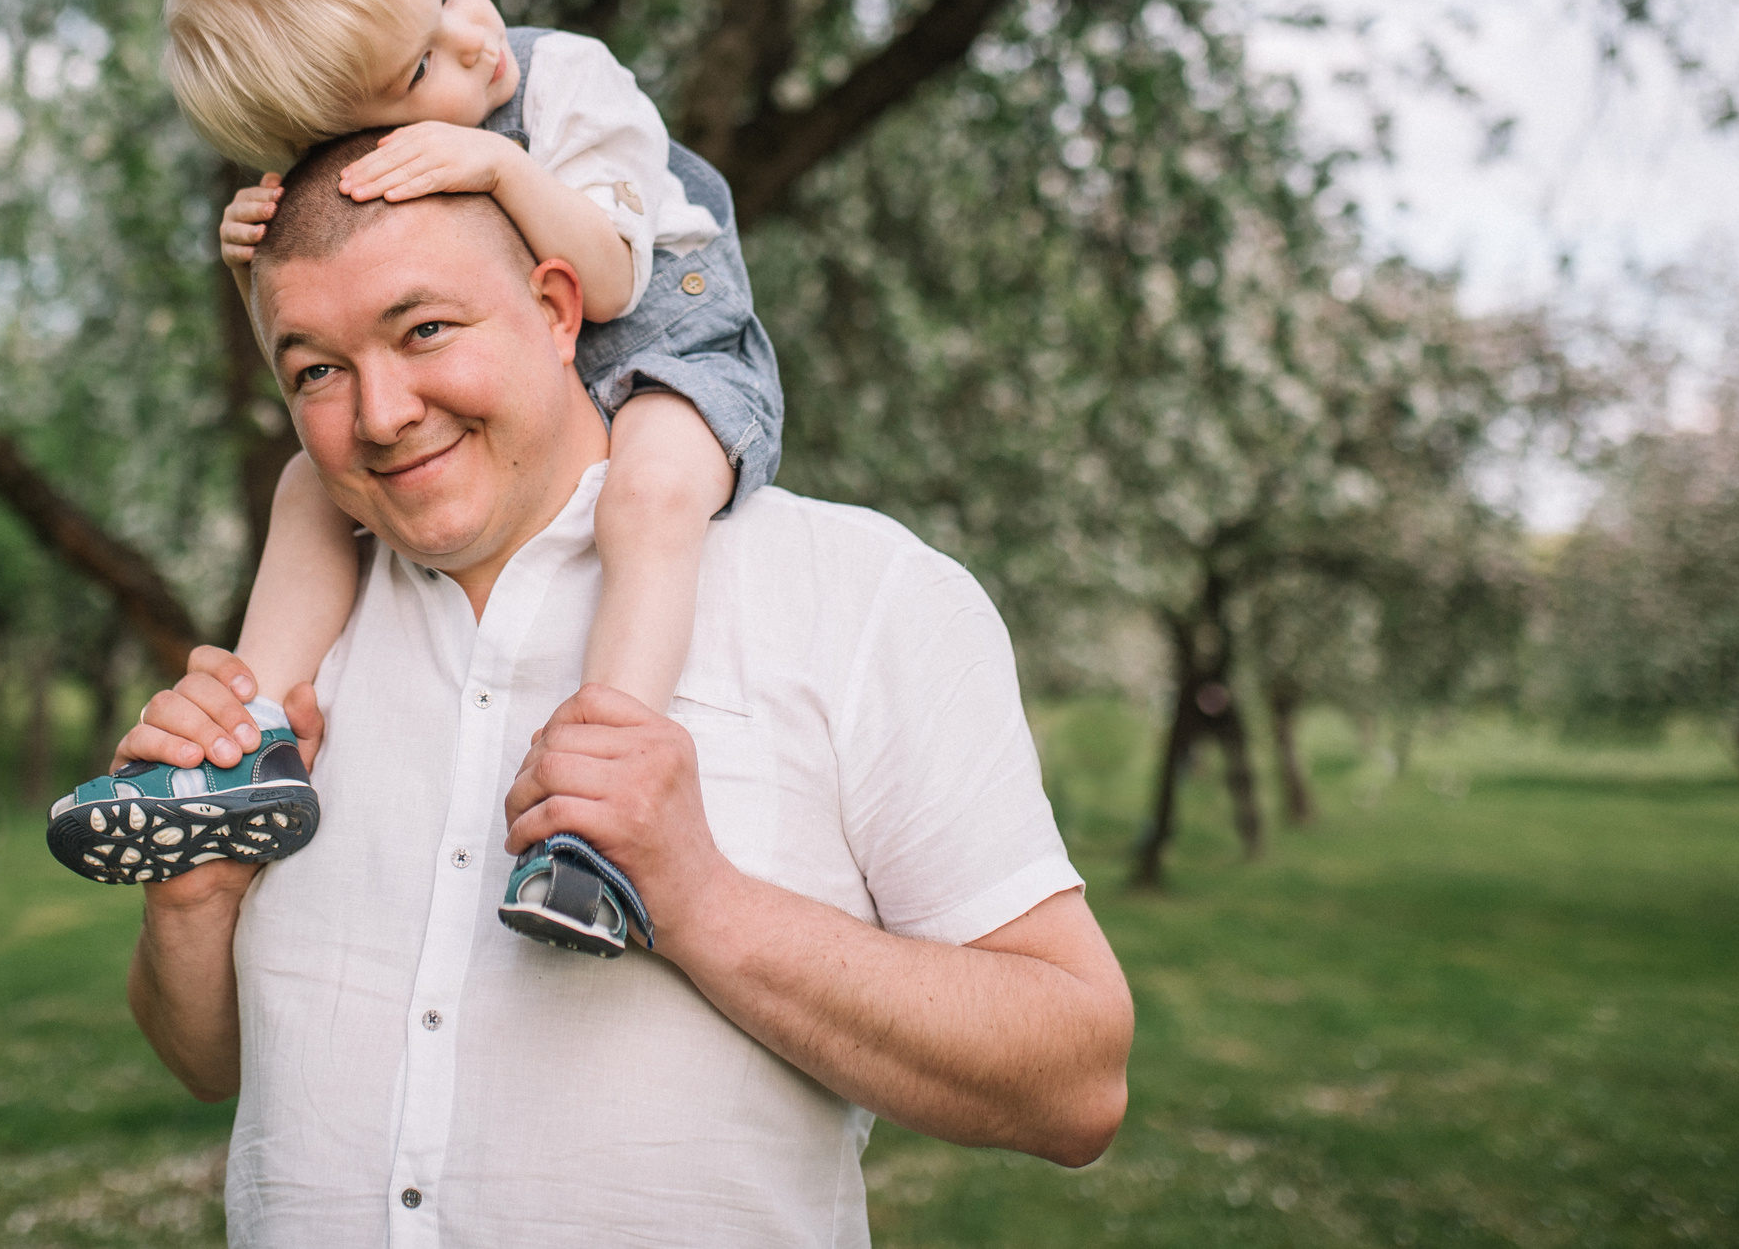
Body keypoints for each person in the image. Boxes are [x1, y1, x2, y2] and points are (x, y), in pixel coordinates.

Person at [112, 138, 1134, 1245]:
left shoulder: (862, 594)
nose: (382, 411)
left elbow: (1074, 1079)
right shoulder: (295, 660)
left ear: (557, 307)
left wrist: (699, 898)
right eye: (315, 367)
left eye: (424, 332)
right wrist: (194, 905)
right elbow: (204, 1060)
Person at [49, 0, 781, 963]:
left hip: (671, 342)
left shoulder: (565, 79)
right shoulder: (356, 174)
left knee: (653, 487)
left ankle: (599, 805)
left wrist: (501, 166)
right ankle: (243, 740)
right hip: (519, 366)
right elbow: (321, 368)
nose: (475, 38)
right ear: (346, 129)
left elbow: (615, 279)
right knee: (310, 475)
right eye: (414, 72)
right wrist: (263, 259)